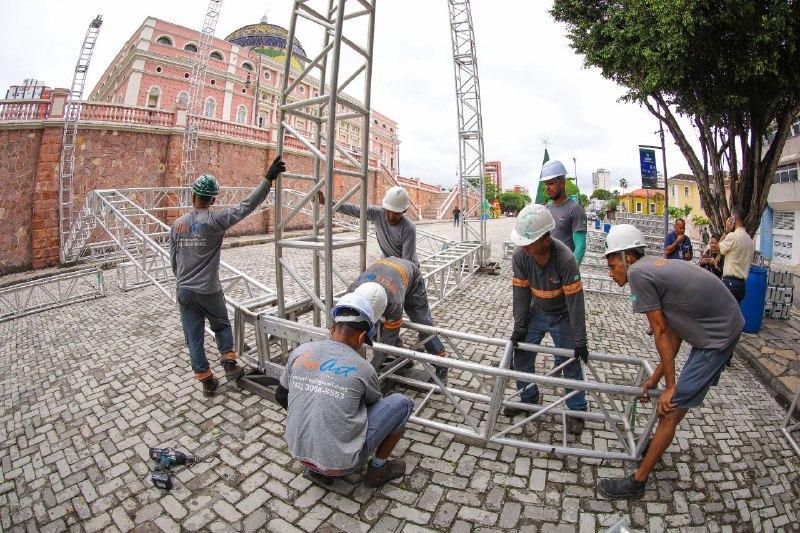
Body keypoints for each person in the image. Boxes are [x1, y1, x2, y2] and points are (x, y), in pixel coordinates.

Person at [598, 224, 743, 500]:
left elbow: (661, 333)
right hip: (719, 329)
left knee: (670, 409)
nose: (609, 270)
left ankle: (637, 483)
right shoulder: (649, 268)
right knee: (676, 403)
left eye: (611, 262)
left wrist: (670, 386)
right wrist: (656, 378)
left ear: (626, 257)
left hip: (718, 337)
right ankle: (658, 445)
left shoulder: (638, 273)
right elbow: (673, 333)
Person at [170, 157, 286, 397]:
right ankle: (230, 367)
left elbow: (173, 259)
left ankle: (206, 380)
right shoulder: (216, 221)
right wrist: (268, 179)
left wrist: (183, 283)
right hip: (209, 290)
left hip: (184, 291)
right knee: (222, 326)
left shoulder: (178, 224)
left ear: (193, 196)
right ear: (213, 199)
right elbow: (246, 206)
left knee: (193, 337)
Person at [275, 292, 414, 487]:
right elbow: (374, 405)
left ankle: (317, 465)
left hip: (298, 452)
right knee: (403, 404)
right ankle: (377, 470)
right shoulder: (363, 368)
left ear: (332, 328)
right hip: (342, 464)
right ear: (362, 336)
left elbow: (281, 395)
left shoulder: (300, 352)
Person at [508, 203, 589, 434]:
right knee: (522, 353)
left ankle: (577, 410)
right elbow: (520, 295)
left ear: (545, 239)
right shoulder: (520, 256)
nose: (522, 247)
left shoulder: (565, 259)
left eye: (528, 242)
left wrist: (580, 340)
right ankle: (528, 399)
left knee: (570, 361)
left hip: (563, 314)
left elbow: (576, 303)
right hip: (536, 310)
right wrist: (519, 327)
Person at [348, 258, 449, 382]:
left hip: (411, 277)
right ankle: (402, 358)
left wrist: (371, 370)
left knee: (423, 324)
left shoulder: (395, 303)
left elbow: (387, 342)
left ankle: (441, 365)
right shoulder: (353, 291)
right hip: (387, 269)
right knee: (377, 328)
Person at [318, 186, 418, 264]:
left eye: (396, 213)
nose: (391, 216)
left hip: (408, 270)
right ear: (384, 207)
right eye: (389, 211)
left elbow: (406, 263)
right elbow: (354, 209)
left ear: (404, 210)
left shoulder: (409, 229)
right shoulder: (377, 213)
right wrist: (326, 202)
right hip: (388, 264)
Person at [542, 160, 588, 265]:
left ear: (562, 183)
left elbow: (580, 247)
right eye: (546, 184)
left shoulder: (575, 209)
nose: (547, 188)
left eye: (551, 183)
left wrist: (571, 273)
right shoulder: (547, 209)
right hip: (548, 269)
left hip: (564, 268)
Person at [718, 206, 755, 304]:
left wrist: (726, 231)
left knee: (725, 314)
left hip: (730, 282)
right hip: (741, 285)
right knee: (734, 314)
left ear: (733, 219)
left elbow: (719, 247)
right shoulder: (749, 240)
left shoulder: (733, 237)